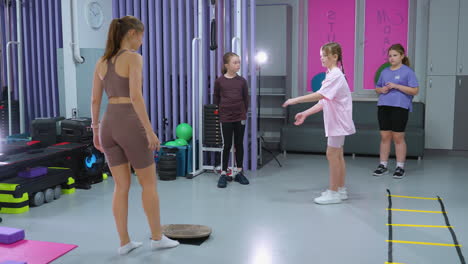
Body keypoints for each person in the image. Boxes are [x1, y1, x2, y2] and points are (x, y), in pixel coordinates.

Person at [91, 16, 179, 255]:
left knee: (121, 186)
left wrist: (95, 131)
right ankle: (158, 237)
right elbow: (136, 96)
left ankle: (124, 242)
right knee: (149, 184)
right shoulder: (133, 58)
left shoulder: (101, 61)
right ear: (131, 34)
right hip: (129, 123)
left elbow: (95, 100)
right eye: (141, 35)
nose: (141, 41)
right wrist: (149, 131)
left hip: (108, 124)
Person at [282, 42, 355, 205]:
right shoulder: (331, 74)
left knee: (332, 154)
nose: (321, 59)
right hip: (337, 121)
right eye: (321, 55)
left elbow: (320, 95)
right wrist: (305, 113)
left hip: (338, 122)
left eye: (325, 56)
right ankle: (340, 189)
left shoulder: (336, 74)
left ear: (335, 57)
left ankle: (334, 192)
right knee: (338, 154)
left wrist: (295, 100)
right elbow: (325, 101)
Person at [373, 44, 419, 179]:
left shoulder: (408, 72)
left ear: (402, 56)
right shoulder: (385, 72)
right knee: (385, 137)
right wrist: (381, 90)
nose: (391, 58)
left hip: (400, 107)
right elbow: (377, 88)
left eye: (395, 55)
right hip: (383, 106)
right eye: (390, 56)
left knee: (398, 138)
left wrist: (397, 86)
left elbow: (415, 90)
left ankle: (400, 167)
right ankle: (383, 165)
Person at [213, 52, 250, 188]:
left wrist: (242, 113)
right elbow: (216, 98)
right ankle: (223, 173)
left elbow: (246, 99)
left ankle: (239, 172)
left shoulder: (242, 81)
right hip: (225, 118)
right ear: (227, 65)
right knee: (226, 145)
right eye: (235, 62)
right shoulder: (219, 81)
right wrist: (221, 112)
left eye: (239, 62)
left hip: (239, 117)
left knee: (239, 144)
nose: (238, 65)